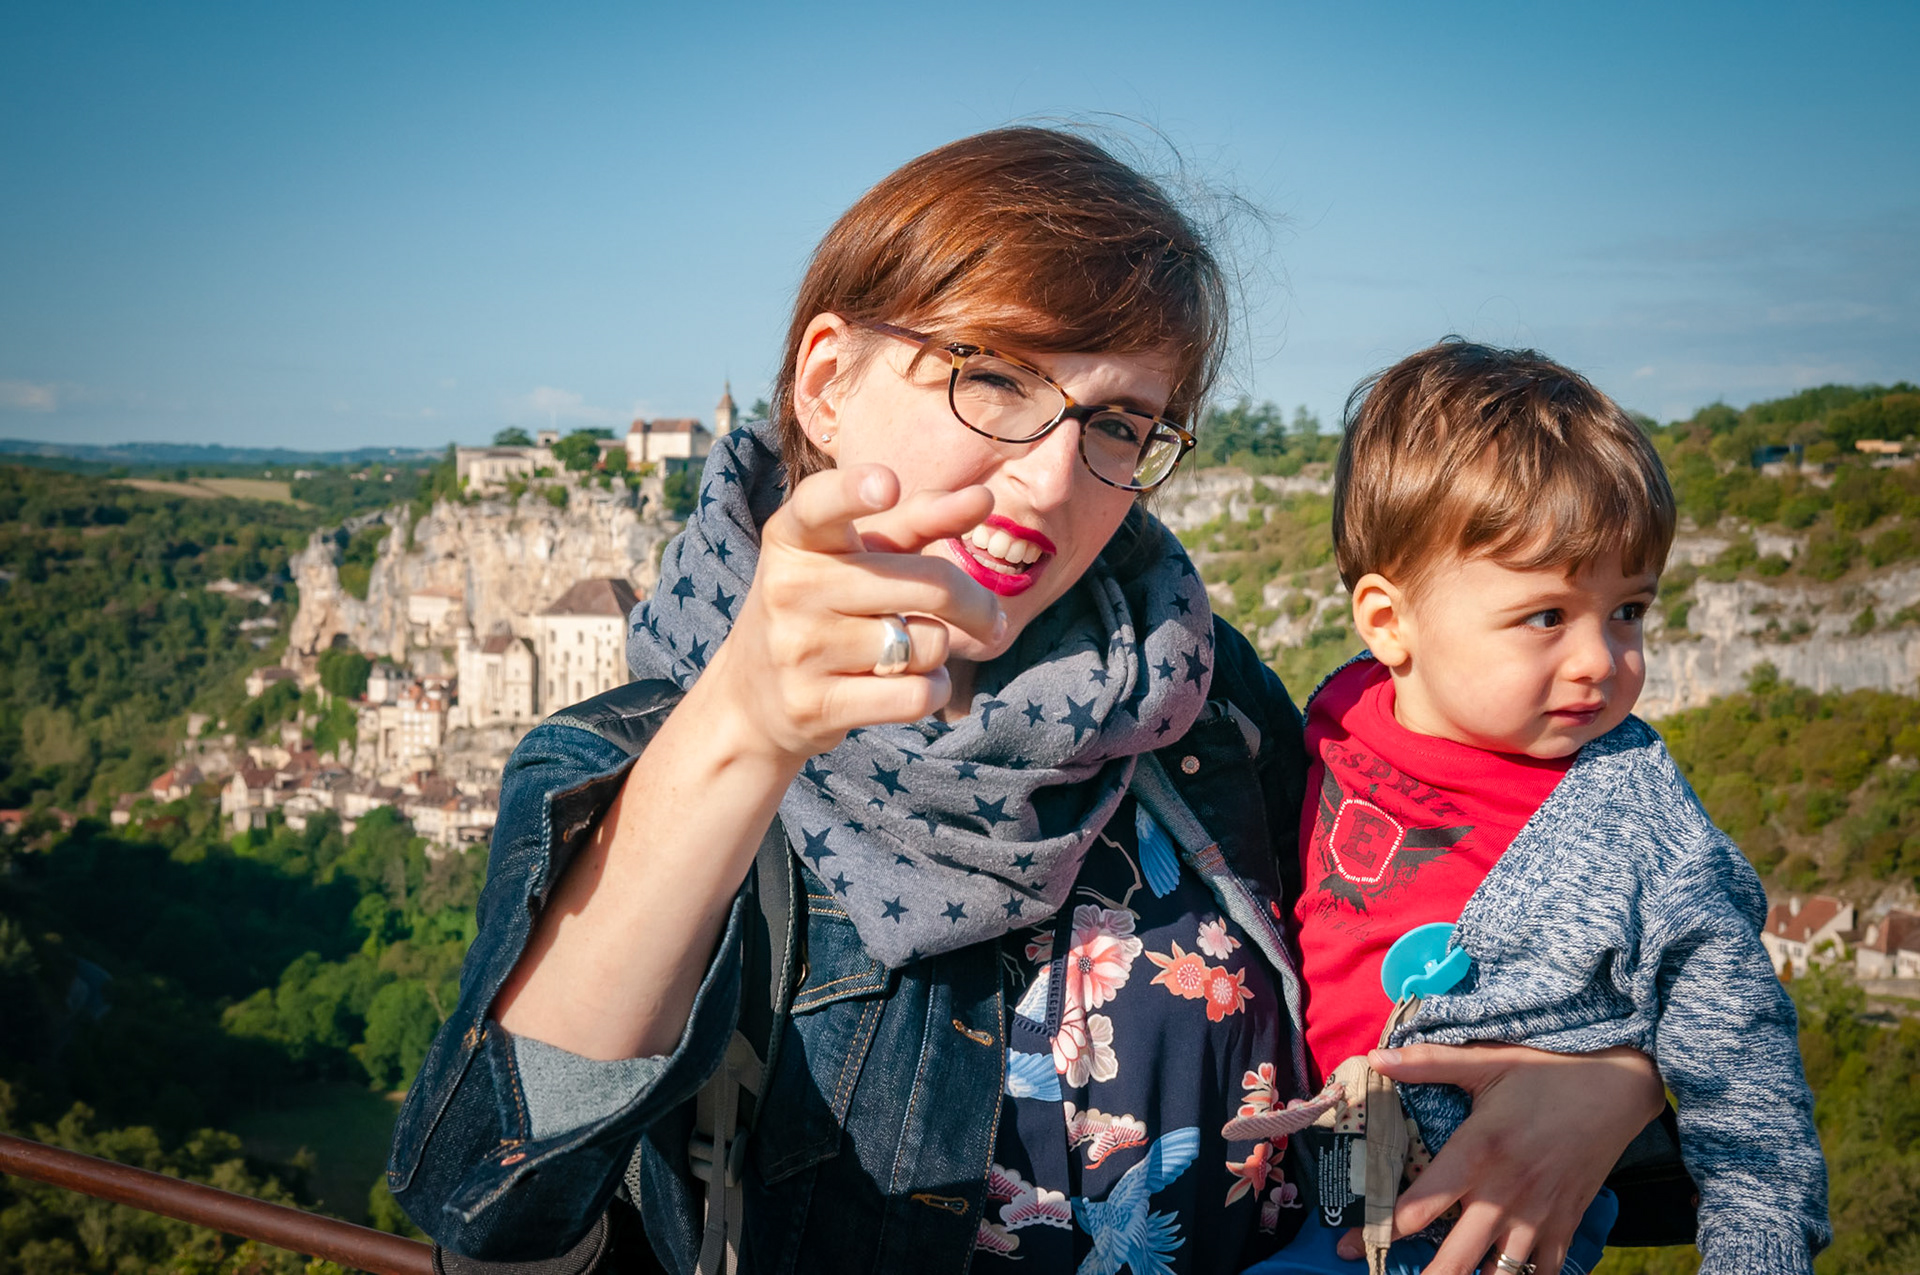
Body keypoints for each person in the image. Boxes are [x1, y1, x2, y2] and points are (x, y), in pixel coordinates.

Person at [387, 130, 1668, 1275]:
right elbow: (489, 1205)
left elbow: (1470, 951)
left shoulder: (1208, 703)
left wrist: (1617, 1082)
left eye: (1119, 423)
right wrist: (744, 728)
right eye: (996, 376)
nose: (1053, 480)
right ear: (827, 381)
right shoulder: (635, 756)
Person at [1240, 341, 1828, 1275]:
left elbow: (1745, 1072)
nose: (1601, 659)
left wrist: (1758, 1251)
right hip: (1321, 1180)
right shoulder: (1342, 715)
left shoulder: (1638, 823)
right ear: (1390, 623)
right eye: (1548, 616)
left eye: (1629, 610)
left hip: (1484, 1212)